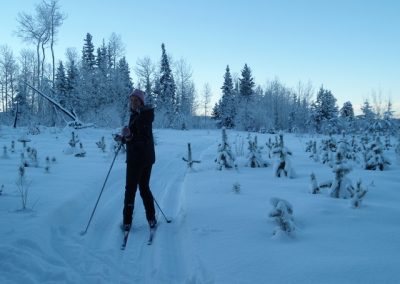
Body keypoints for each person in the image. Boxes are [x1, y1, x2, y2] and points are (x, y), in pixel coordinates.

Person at [115, 89, 156, 231]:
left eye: (136, 100)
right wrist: (124, 138)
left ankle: (127, 222)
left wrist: (129, 137)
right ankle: (151, 219)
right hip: (146, 158)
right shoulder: (139, 115)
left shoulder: (143, 116)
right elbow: (136, 136)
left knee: (131, 189)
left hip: (138, 159)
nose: (133, 103)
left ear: (141, 102)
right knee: (144, 188)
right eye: (131, 100)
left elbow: (142, 139)